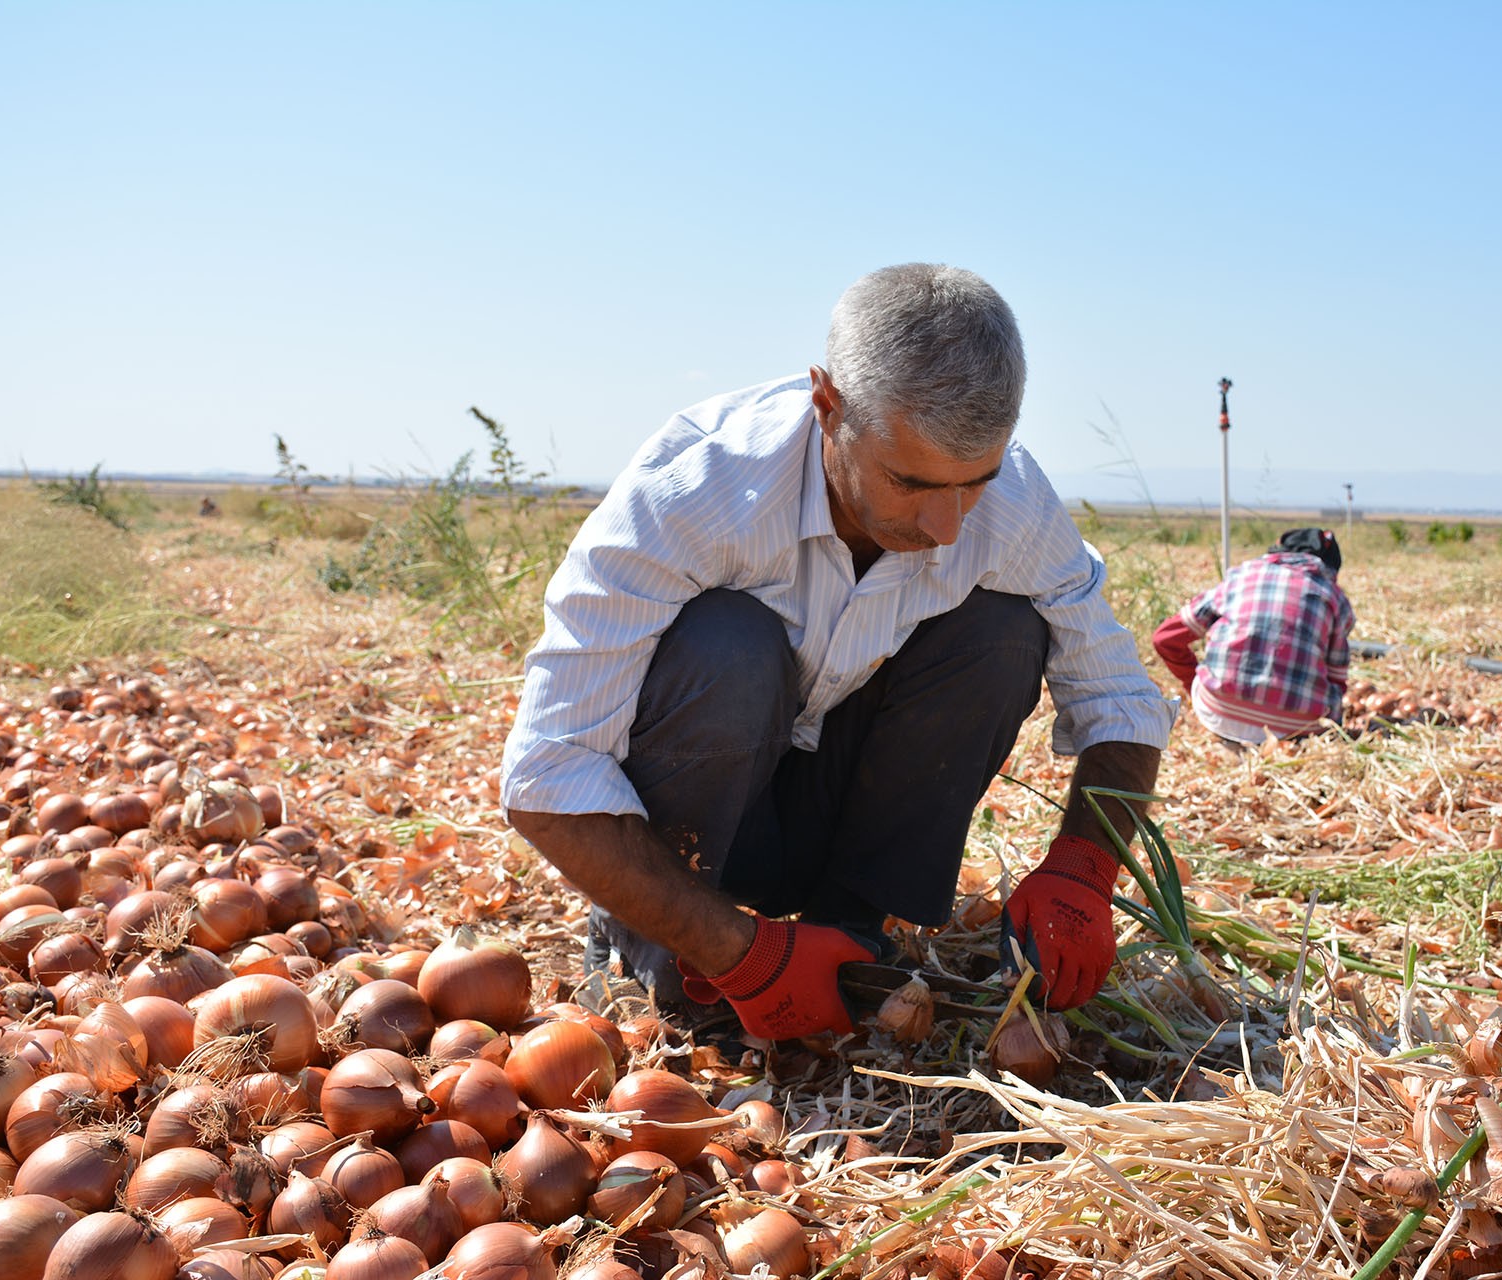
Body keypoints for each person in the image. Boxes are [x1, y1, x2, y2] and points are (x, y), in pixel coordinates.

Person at [500, 264, 1172, 1043]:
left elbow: (1120, 700)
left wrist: (1086, 867)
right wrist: (741, 953)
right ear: (828, 406)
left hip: (834, 803)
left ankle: (850, 937)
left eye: (976, 482)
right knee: (730, 645)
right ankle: (670, 960)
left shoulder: (1012, 504)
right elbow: (547, 773)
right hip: (694, 824)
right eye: (911, 481)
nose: (949, 525)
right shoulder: (697, 493)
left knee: (1004, 633)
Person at [1151, 527, 1353, 744]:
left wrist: (1193, 681)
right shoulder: (1334, 596)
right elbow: (1337, 680)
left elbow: (1165, 638)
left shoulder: (1240, 576)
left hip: (1220, 712)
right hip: (1298, 728)